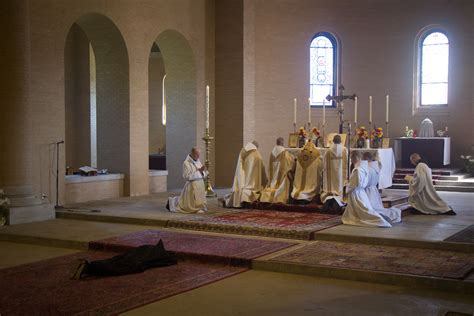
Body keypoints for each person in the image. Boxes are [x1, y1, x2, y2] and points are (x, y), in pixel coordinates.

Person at [71, 240, 177, 280]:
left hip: (132, 255)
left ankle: (91, 266)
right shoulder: (160, 254)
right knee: (118, 267)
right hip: (136, 260)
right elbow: (164, 261)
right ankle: (89, 267)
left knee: (114, 261)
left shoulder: (150, 247)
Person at [342, 151, 393, 227]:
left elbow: (354, 184)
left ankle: (379, 219)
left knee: (363, 211)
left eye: (352, 158)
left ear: (356, 158)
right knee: (365, 209)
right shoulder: (364, 168)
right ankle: (379, 217)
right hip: (362, 192)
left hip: (356, 193)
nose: (351, 160)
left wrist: (346, 186)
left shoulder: (358, 170)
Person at [224, 141, 267, 207]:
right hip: (253, 185)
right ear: (256, 147)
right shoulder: (257, 155)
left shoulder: (242, 152)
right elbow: (262, 171)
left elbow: (239, 169)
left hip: (242, 183)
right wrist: (266, 182)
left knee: (239, 189)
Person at [363, 152, 401, 224]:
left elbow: (366, 181)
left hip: (368, 191)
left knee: (372, 209)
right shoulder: (375, 167)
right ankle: (393, 214)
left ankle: (389, 215)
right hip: (373, 190)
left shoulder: (369, 169)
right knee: (376, 207)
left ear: (366, 158)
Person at [167, 147, 208, 213]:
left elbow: (202, 173)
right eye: (197, 154)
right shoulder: (186, 163)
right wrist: (199, 171)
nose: (198, 156)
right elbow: (186, 176)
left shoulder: (197, 161)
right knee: (186, 204)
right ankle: (171, 202)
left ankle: (199, 206)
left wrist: (202, 171)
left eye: (199, 154)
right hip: (191, 185)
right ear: (192, 153)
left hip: (199, 184)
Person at [260, 137, 294, 204]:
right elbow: (289, 162)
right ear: (282, 143)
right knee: (288, 178)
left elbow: (270, 166)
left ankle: (267, 196)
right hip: (281, 177)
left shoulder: (272, 153)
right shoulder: (284, 152)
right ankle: (278, 197)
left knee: (272, 184)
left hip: (273, 177)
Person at [321, 135, 348, 207]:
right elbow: (348, 163)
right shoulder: (344, 150)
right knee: (340, 185)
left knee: (331, 185)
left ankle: (331, 195)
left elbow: (324, 165)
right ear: (341, 141)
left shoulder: (328, 151)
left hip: (331, 174)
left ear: (333, 141)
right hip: (341, 174)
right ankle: (340, 196)